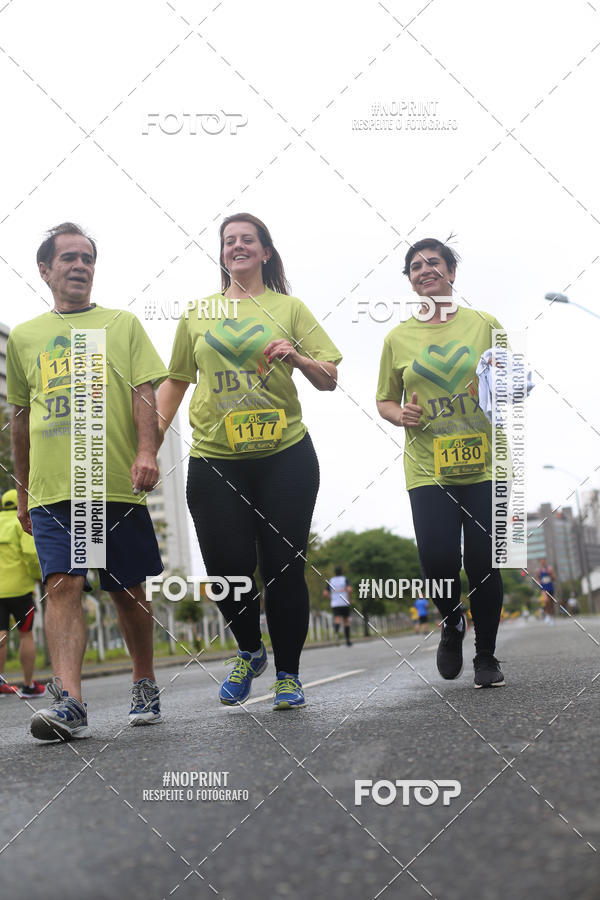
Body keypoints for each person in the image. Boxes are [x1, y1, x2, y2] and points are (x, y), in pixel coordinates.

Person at [157, 213, 342, 710]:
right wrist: (144, 446)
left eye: (248, 240)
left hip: (285, 456)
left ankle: (287, 675)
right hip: (217, 459)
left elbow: (329, 377)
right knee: (226, 568)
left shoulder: (289, 308)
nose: (237, 246)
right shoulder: (198, 313)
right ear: (222, 254)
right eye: (229, 241)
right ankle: (248, 648)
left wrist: (300, 359)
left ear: (265, 252)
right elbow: (175, 380)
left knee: (284, 566)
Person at [7, 222, 167, 741]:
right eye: (68, 258)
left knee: (125, 590)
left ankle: (143, 678)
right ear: (45, 270)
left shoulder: (121, 324)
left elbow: (145, 392)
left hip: (111, 481)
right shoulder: (26, 337)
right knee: (63, 584)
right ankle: (69, 701)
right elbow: (21, 420)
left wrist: (147, 450)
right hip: (55, 487)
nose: (79, 266)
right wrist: (24, 488)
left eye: (87, 258)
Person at [376, 237, 505, 688]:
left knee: (486, 562)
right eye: (415, 266)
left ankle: (486, 656)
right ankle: (452, 621)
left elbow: (513, 382)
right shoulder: (397, 338)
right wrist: (401, 415)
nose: (425, 269)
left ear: (452, 273)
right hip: (427, 466)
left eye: (434, 262)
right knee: (437, 557)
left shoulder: (485, 323)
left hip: (486, 464)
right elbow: (385, 400)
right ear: (410, 281)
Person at [0, 489, 46, 698]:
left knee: (1, 635)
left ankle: (1, 683)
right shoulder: (22, 523)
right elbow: (30, 554)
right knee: (25, 633)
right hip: (19, 589)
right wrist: (40, 576)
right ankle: (28, 685)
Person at [323, 566, 353, 646]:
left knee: (337, 619)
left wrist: (331, 598)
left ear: (335, 572)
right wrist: (350, 599)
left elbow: (325, 593)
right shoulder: (344, 579)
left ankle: (336, 633)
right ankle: (347, 641)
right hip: (344, 602)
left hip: (335, 604)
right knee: (346, 621)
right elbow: (349, 590)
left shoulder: (331, 580)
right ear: (342, 572)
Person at [537, 559, 556, 624]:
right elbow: (538, 579)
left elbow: (554, 578)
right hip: (543, 587)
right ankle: (547, 615)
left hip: (550, 586)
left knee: (551, 603)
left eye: (544, 561)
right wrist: (539, 582)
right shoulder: (538, 571)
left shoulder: (550, 568)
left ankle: (552, 618)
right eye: (541, 561)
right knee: (546, 601)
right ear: (540, 563)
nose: (543, 562)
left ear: (545, 562)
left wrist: (551, 575)